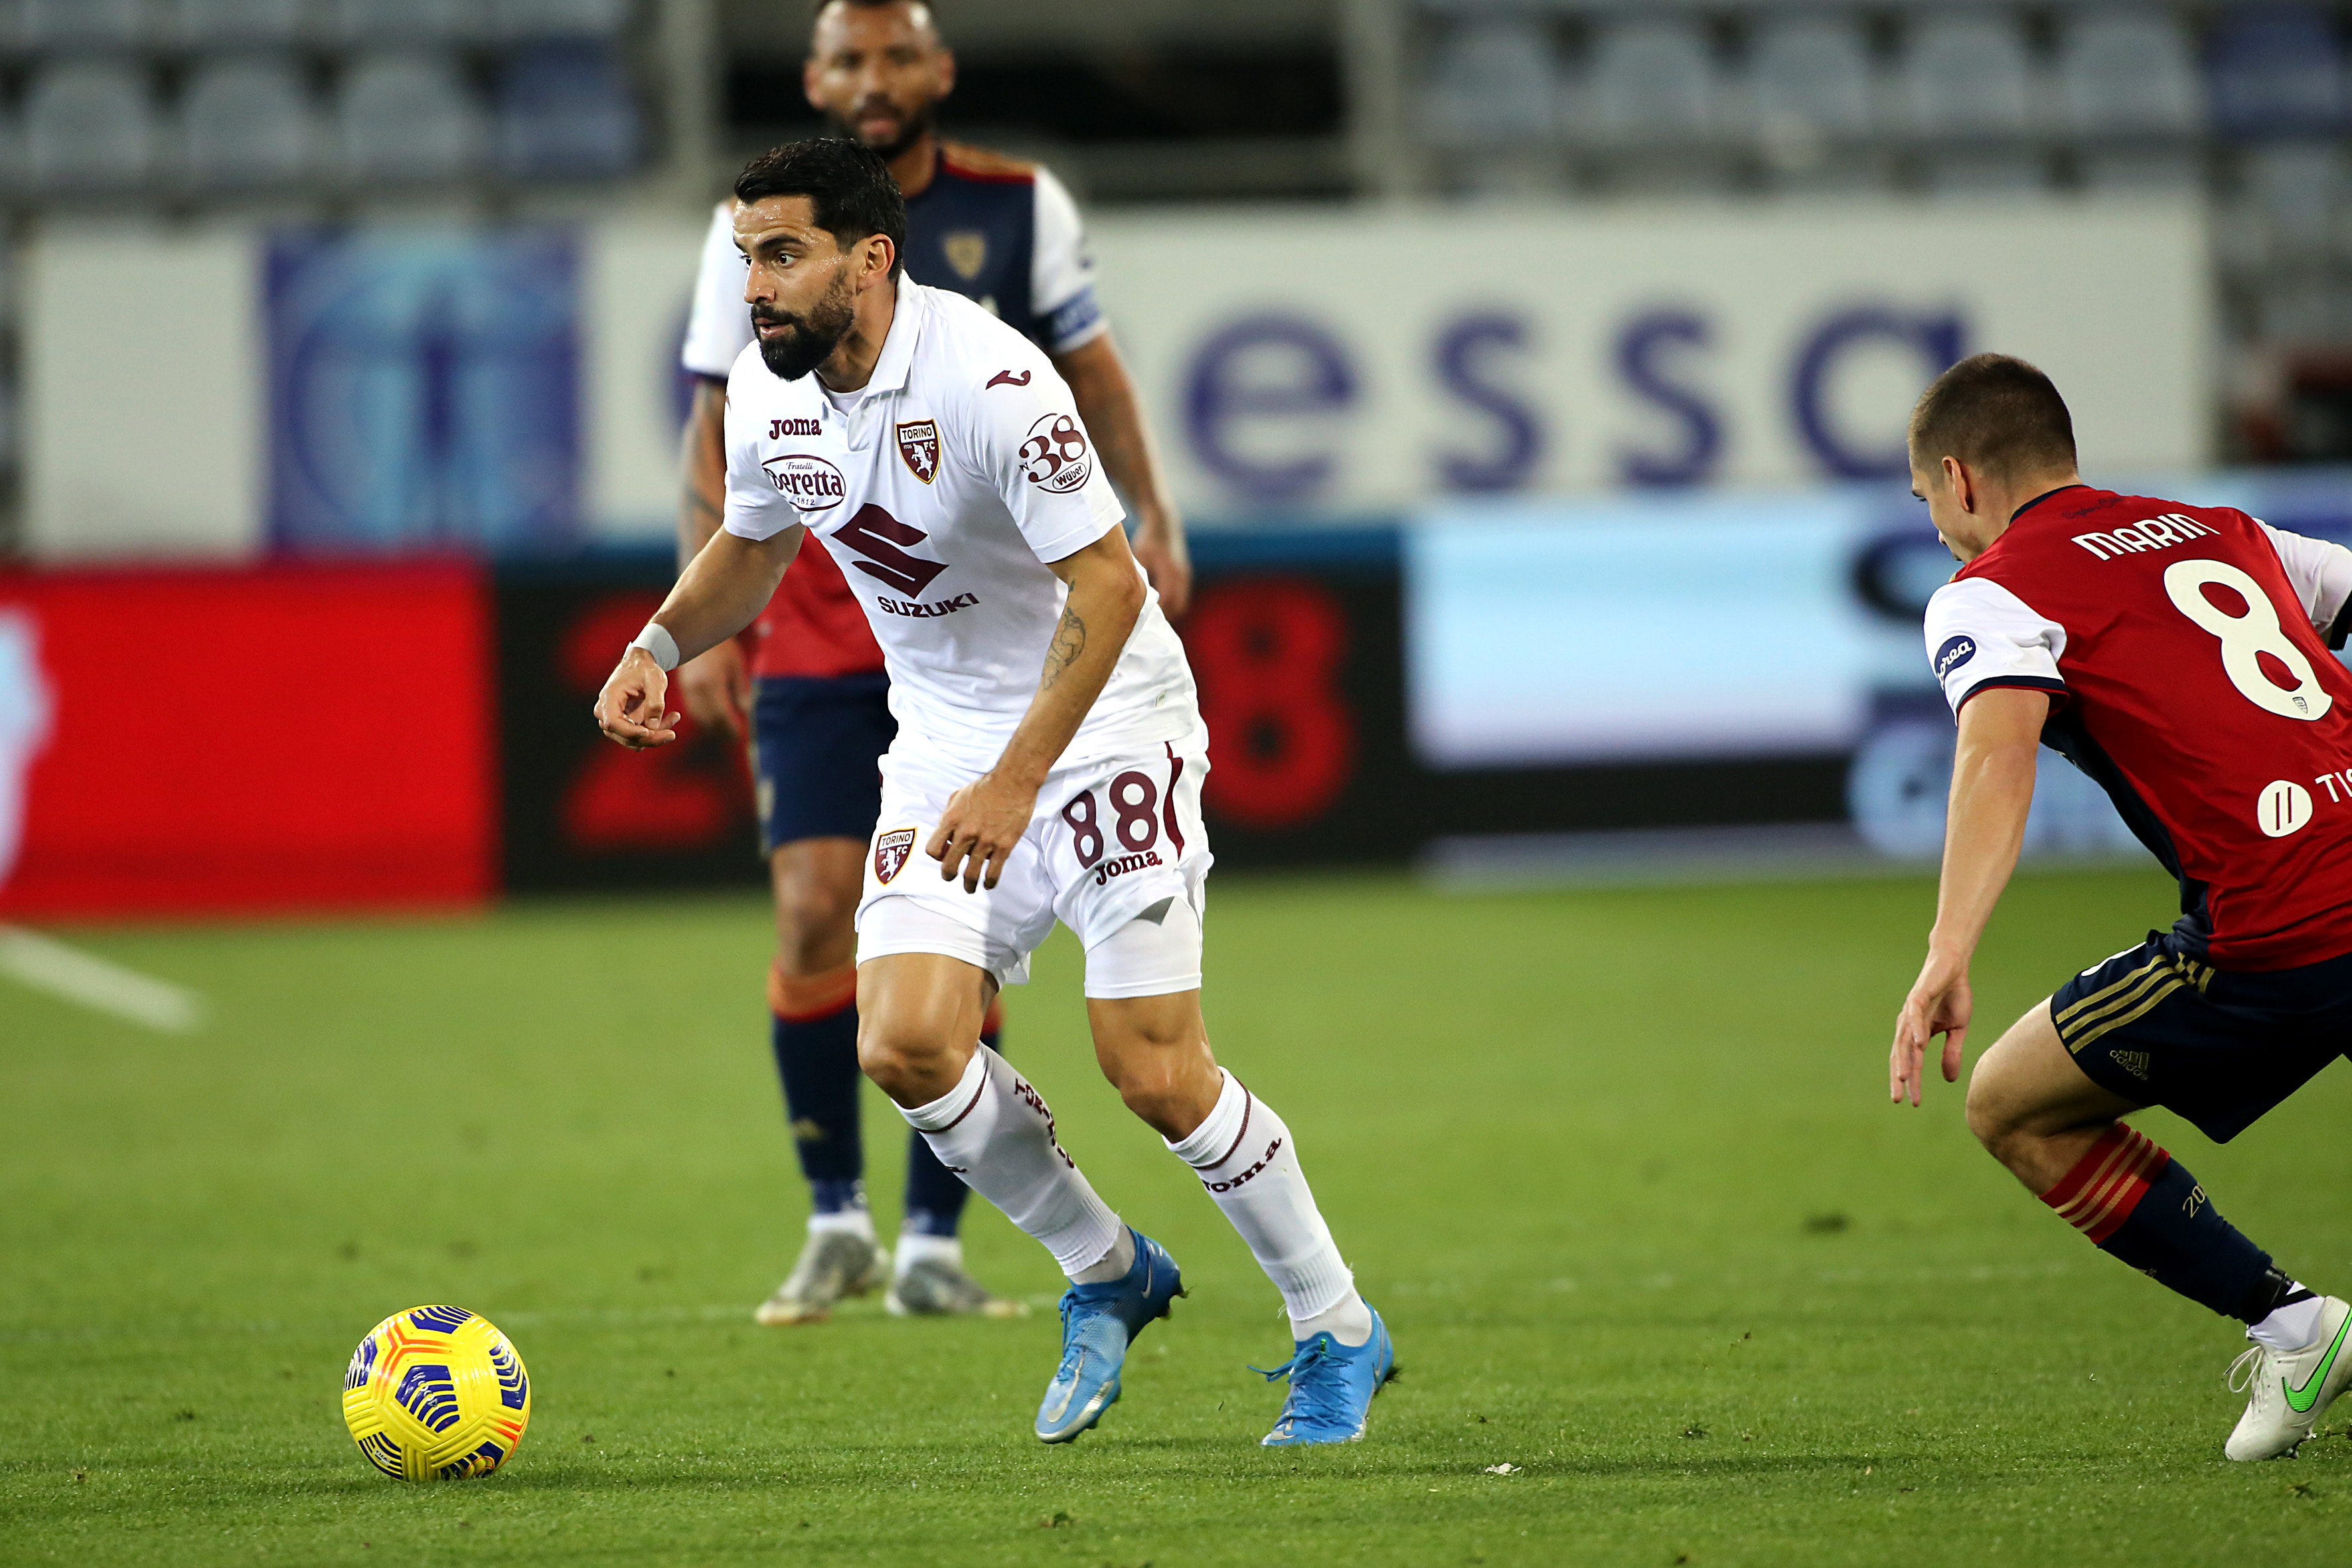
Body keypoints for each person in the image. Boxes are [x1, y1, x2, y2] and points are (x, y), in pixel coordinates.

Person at [599, 139, 1388, 1447]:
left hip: (1108, 726)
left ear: (870, 258)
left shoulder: (991, 380)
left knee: (1152, 1068)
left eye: (783, 255)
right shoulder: (765, 393)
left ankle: (1336, 1323)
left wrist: (1018, 782)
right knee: (903, 1043)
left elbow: (1110, 585)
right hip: (944, 743)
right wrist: (660, 642)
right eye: (745, 257)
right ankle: (1107, 1268)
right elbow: (752, 544)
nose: (754, 287)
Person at [672, 0, 1192, 1326]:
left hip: (1000, 626)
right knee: (813, 910)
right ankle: (835, 1218)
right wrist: (680, 633)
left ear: (939, 70)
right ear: (812, 78)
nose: (873, 77)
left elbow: (1095, 372)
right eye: (847, 58)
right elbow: (719, 439)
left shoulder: (1020, 211)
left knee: (960, 924)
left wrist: (1150, 513)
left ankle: (932, 1241)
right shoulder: (756, 236)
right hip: (828, 614)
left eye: (896, 53)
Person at [1890, 353, 2352, 1460]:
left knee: (2011, 1104)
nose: (1939, 530)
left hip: (2280, 928)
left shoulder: (1990, 589)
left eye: (1926, 501)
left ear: (1958, 478)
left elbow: (1997, 751)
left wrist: (1948, 950)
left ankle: (2296, 1327)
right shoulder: (2227, 530)